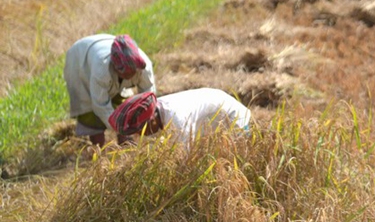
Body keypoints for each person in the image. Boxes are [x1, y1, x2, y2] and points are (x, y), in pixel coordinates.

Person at [63, 34, 156, 147]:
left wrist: (143, 119)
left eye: (132, 72)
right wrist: (121, 127)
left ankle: (126, 146)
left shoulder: (144, 66)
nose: (130, 75)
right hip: (80, 60)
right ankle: (98, 153)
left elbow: (148, 95)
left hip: (102, 46)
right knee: (92, 116)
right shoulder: (101, 71)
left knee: (125, 108)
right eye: (126, 72)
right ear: (116, 68)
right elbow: (100, 105)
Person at [108, 88, 252, 144]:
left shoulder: (177, 120)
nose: (140, 135)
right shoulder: (160, 110)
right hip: (210, 124)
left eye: (140, 130)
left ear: (151, 120)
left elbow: (186, 165)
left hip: (234, 119)